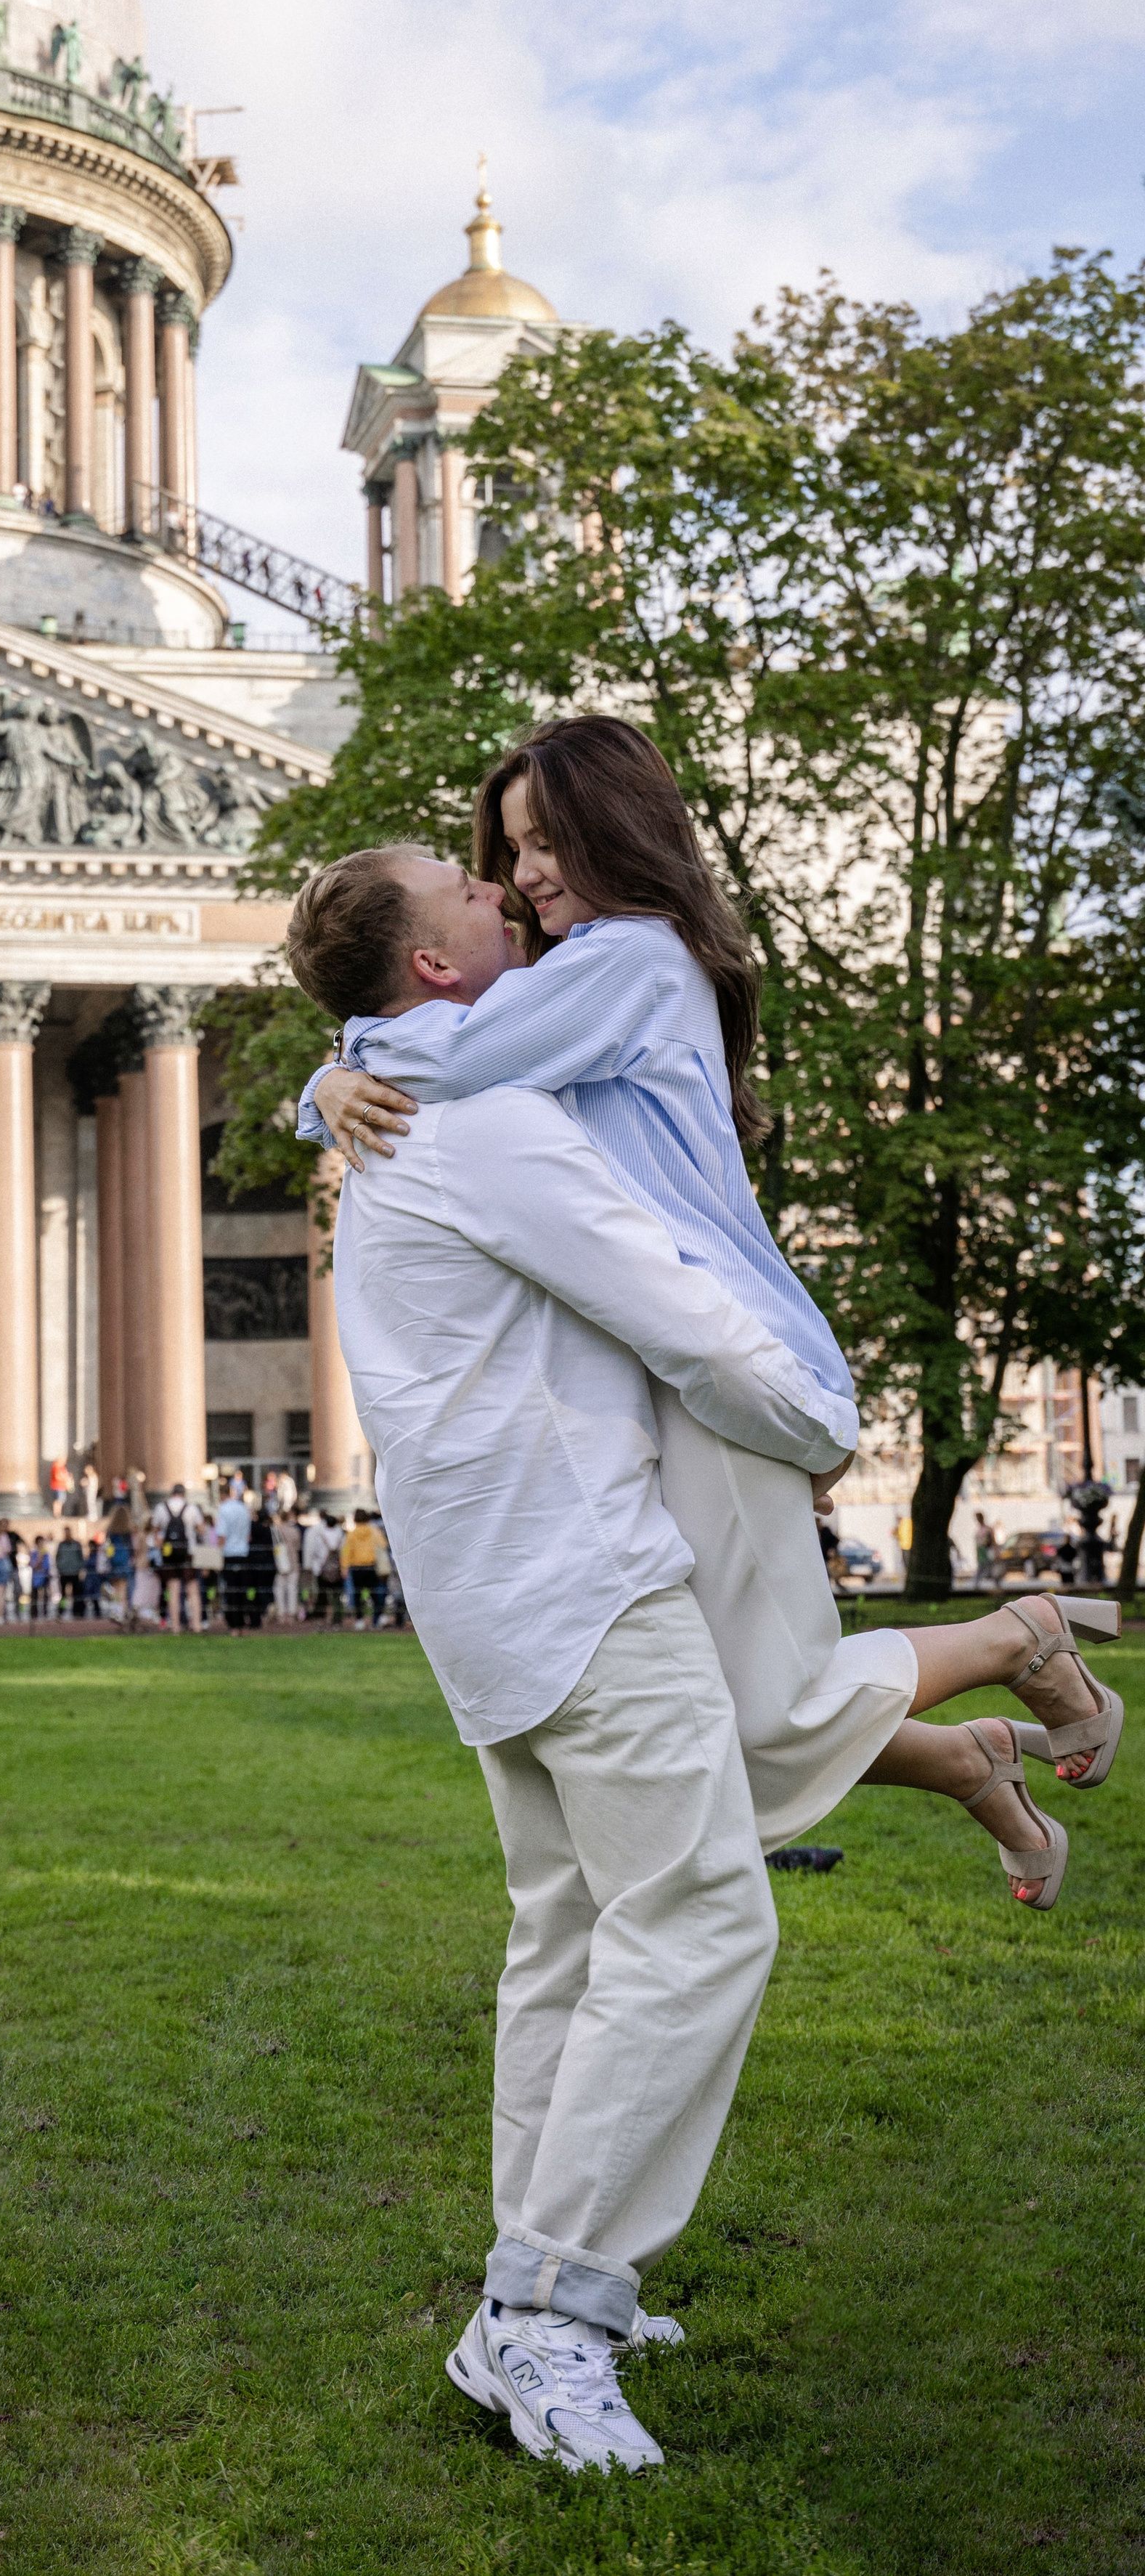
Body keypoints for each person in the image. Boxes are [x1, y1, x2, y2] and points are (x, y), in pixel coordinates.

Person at [292, 837, 1120, 2471]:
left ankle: (526, 2278)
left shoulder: (398, 1110)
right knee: (693, 1923)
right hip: (581, 1576)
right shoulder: (484, 1119)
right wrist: (814, 1421)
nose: (495, 890)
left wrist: (325, 1082)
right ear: (434, 972)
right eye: (461, 891)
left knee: (573, 1934)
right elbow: (674, 1305)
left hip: (493, 1595)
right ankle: (546, 2313)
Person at [296, 721, 1118, 1888]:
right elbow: (445, 1038)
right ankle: (974, 1757)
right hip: (671, 1356)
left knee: (758, 1709)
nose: (521, 877)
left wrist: (326, 1077)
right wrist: (336, 1066)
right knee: (715, 1705)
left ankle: (1016, 1638)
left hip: (720, 1347)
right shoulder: (583, 971)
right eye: (506, 852)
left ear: (614, 831)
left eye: (542, 844)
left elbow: (449, 1057)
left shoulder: (626, 958)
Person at [152, 1483, 203, 1634]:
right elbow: (201, 1529)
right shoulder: (192, 1509)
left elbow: (155, 1530)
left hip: (169, 1554)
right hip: (189, 1552)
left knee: (173, 1589)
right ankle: (196, 1625)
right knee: (193, 1590)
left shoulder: (161, 1508)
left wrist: (161, 1545)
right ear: (184, 1494)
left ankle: (175, 1626)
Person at [214, 1481, 253, 1626]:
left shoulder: (223, 1510)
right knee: (242, 1590)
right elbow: (248, 1536)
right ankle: (243, 1622)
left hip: (229, 1554)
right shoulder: (243, 1508)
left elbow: (222, 1536)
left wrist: (217, 1556)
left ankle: (234, 1624)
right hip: (243, 1553)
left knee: (230, 1590)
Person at [339, 1510, 380, 1626]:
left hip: (356, 1568)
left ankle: (359, 1620)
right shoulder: (373, 1532)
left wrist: (344, 1567)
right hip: (371, 1566)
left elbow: (346, 1551)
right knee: (374, 1595)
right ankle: (376, 1620)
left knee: (357, 1595)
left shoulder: (351, 1534)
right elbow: (383, 1545)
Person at [104, 1503, 135, 1617]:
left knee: (115, 1588)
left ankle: (116, 1611)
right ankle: (123, 1612)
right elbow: (131, 1548)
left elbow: (107, 1547)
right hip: (124, 1562)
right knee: (123, 1589)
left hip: (113, 1561)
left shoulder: (110, 1531)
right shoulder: (127, 1532)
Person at [271, 1509, 301, 1625]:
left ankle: (281, 1614)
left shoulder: (275, 1530)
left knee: (279, 1589)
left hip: (279, 1563)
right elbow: (298, 1546)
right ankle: (291, 1614)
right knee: (292, 1589)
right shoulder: (294, 1531)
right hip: (293, 1562)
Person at [54, 1528, 86, 1619]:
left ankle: (77, 1611)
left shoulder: (76, 1545)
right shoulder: (61, 1545)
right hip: (64, 1573)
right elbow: (58, 1557)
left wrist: (79, 1568)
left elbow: (81, 1558)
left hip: (74, 1573)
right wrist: (60, 1567)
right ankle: (62, 1611)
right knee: (64, 1594)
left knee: (76, 1594)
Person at [28, 1536, 53, 1621]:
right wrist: (39, 1560)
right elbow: (32, 1565)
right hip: (36, 1577)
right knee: (35, 1596)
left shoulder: (46, 1553)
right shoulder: (33, 1553)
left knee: (45, 1596)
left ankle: (45, 1613)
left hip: (44, 1577)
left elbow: (47, 1566)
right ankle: (34, 1614)